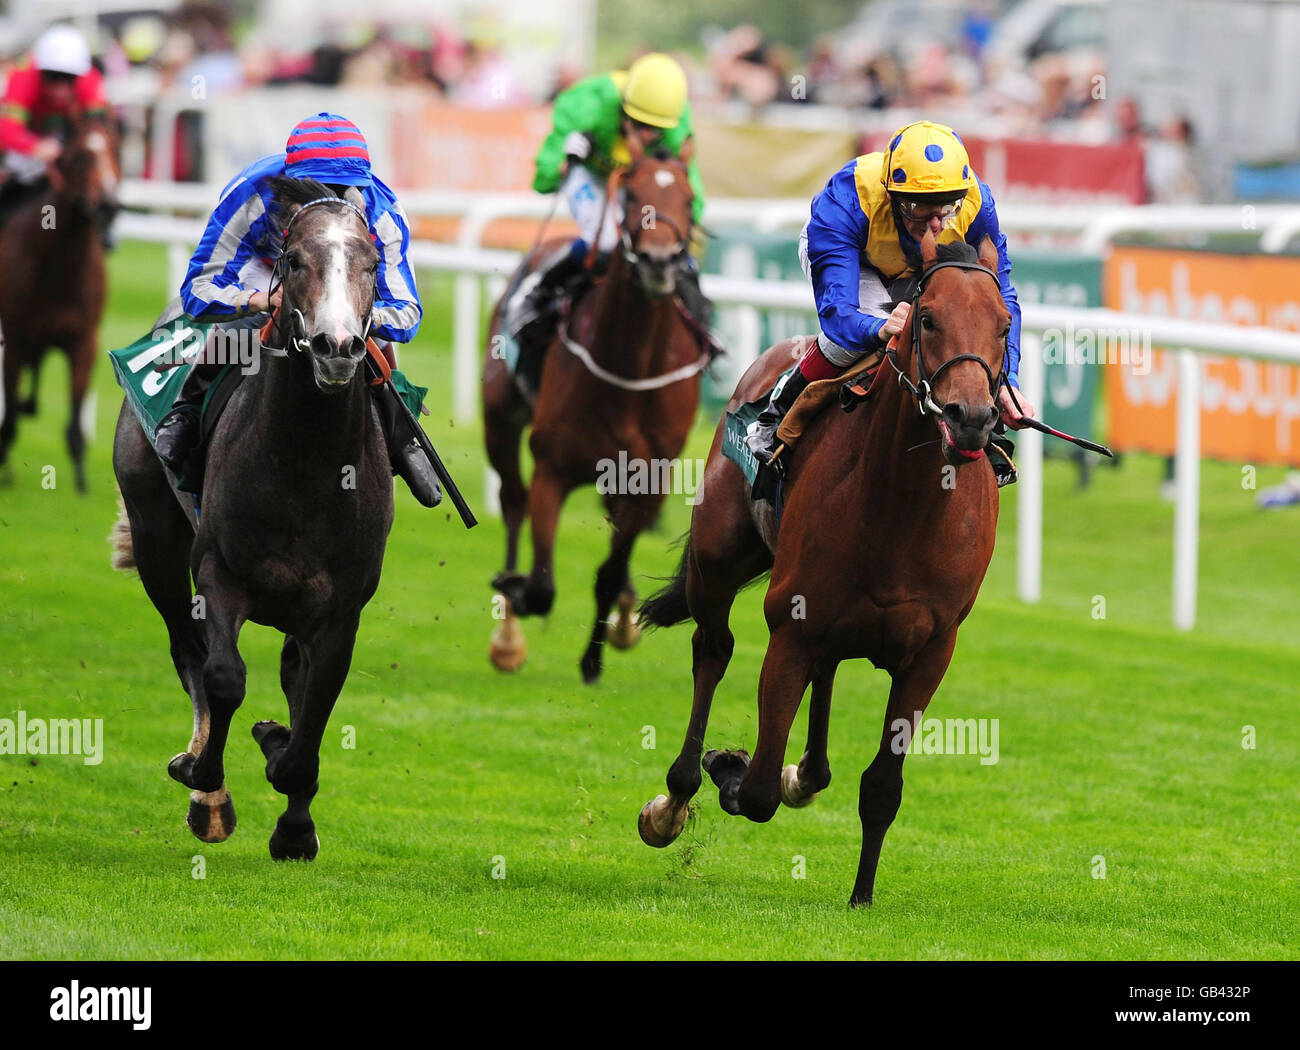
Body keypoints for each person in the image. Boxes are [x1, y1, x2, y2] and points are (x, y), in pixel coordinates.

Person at [150, 111, 441, 507]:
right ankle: (189, 410)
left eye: (346, 187)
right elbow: (199, 289)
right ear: (294, 178)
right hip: (268, 269)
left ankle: (401, 436)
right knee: (239, 331)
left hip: (343, 280)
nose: (336, 198)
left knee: (374, 342)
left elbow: (406, 311)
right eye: (321, 184)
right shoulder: (254, 193)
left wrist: (352, 317)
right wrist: (258, 301)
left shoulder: (382, 210)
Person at [745, 120, 1036, 471]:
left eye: (946, 208)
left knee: (958, 322)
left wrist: (1009, 380)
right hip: (860, 259)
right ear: (891, 195)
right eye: (918, 209)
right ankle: (775, 416)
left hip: (919, 264)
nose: (935, 224)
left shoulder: (975, 203)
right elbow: (839, 314)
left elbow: (1001, 299)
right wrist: (878, 329)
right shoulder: (846, 201)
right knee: (861, 340)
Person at [502, 51, 719, 357]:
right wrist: (568, 157)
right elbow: (543, 179)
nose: (647, 135)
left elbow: (687, 185)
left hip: (632, 182)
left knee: (667, 244)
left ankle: (702, 323)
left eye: (655, 130)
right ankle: (536, 294)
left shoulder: (676, 118)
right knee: (605, 241)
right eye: (639, 124)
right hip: (591, 176)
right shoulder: (587, 105)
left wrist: (682, 229)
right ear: (623, 107)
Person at [0, 24, 116, 244]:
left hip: (67, 139)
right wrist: (36, 148)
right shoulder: (22, 77)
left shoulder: (90, 79)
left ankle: (104, 229)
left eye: (68, 79)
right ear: (40, 72)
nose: (60, 89)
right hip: (27, 146)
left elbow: (98, 128)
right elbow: (7, 131)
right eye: (53, 77)